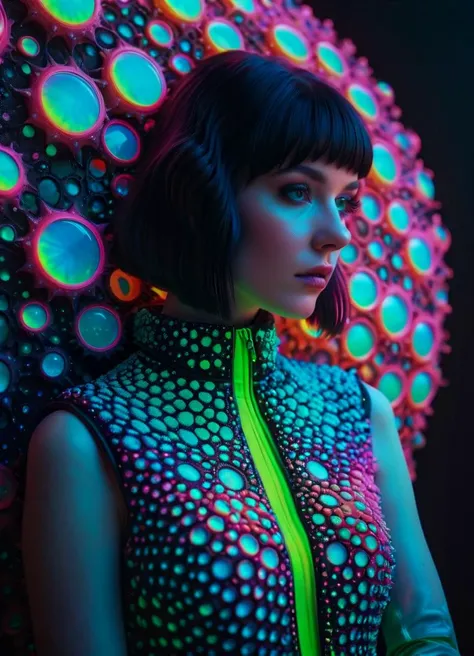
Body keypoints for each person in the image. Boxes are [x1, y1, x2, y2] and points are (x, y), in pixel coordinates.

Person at [21, 51, 459, 656]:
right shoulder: (88, 438)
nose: (336, 232)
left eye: (347, 199)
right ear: (203, 191)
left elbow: (426, 633)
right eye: (298, 190)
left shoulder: (360, 412)